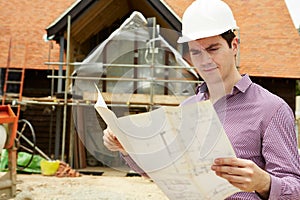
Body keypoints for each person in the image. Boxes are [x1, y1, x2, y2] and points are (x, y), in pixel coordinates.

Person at [103, 0, 300, 199]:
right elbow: (162, 170)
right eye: (196, 52)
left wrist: (264, 182)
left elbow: (295, 190)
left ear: (234, 45)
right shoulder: (187, 108)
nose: (205, 60)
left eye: (213, 49)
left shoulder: (271, 109)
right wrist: (126, 147)